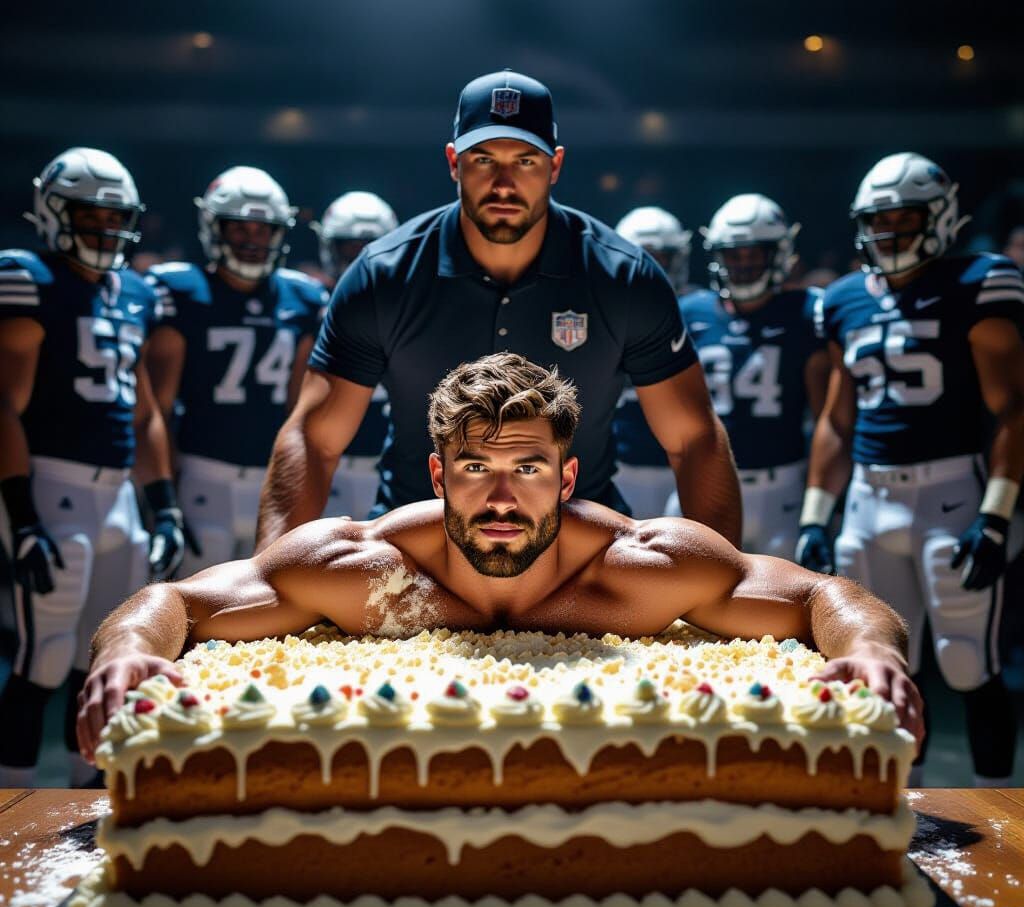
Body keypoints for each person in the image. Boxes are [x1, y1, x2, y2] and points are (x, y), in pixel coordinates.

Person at [77, 351, 923, 764]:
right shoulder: (362, 565)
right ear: (438, 476)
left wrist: (873, 651)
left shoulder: (641, 566)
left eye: (529, 469)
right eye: (476, 469)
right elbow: (176, 601)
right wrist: (126, 655)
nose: (502, 498)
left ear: (568, 478)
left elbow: (824, 595)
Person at [255, 69, 739, 549]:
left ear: (554, 166)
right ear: (454, 162)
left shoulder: (624, 277)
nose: (504, 183)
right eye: (484, 160)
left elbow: (693, 439)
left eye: (525, 161)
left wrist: (726, 577)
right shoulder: (383, 275)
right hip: (418, 546)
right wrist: (270, 569)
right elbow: (314, 440)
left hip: (578, 547)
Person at [795, 152, 1024, 787]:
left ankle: (1003, 809)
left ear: (940, 217)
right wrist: (816, 517)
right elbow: (837, 419)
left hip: (950, 492)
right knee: (885, 659)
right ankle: (902, 800)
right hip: (867, 499)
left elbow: (1012, 407)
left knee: (967, 662)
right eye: (878, 219)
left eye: (903, 217)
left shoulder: (978, 280)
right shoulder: (844, 299)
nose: (888, 231)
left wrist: (997, 514)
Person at [0, 147, 185, 787]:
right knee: (44, 658)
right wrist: (22, 515)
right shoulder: (28, 276)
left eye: (115, 218)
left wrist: (163, 505)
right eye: (90, 216)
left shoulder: (134, 291)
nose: (106, 230)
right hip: (51, 483)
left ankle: (89, 801)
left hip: (120, 495)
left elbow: (144, 411)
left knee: (105, 656)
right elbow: (5, 405)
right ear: (54, 212)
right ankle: (10, 807)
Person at [143, 167, 327, 576]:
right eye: (239, 227)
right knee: (196, 595)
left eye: (262, 229)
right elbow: (159, 406)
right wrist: (164, 498)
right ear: (214, 227)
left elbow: (297, 409)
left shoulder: (303, 296)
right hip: (201, 473)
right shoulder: (182, 290)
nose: (251, 239)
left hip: (270, 475)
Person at [665, 194, 829, 558]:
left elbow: (825, 416)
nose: (744, 264)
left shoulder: (806, 312)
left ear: (779, 254)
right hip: (706, 477)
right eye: (734, 255)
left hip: (782, 486)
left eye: (754, 254)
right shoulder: (690, 311)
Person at [311, 191, 399, 521]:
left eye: (369, 249)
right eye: (349, 249)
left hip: (389, 463)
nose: (359, 262)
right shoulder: (306, 304)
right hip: (327, 462)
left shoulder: (412, 308)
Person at [611, 206, 695, 518]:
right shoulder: (600, 314)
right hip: (618, 466)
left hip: (682, 466)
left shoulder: (700, 313)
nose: (651, 269)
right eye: (642, 258)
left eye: (661, 259)